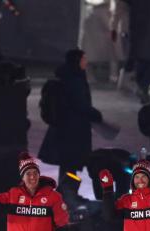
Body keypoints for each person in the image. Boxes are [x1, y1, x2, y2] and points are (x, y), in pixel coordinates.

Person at [38, 49, 103, 207]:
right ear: (77, 60)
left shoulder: (67, 76)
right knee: (71, 165)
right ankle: (68, 196)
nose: (86, 62)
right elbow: (80, 105)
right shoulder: (75, 80)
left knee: (68, 165)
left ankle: (66, 194)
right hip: (73, 131)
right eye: (83, 59)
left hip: (66, 129)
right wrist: (95, 114)